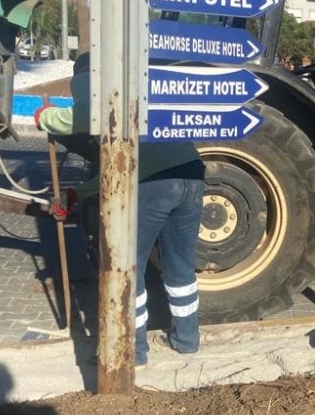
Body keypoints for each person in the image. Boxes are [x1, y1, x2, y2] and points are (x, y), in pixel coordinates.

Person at [35, 52, 205, 367]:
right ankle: (187, 339)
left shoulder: (90, 76)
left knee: (129, 266)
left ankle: (134, 351)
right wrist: (78, 193)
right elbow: (116, 166)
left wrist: (45, 117)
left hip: (152, 180)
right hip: (190, 171)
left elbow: (86, 117)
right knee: (181, 264)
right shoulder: (137, 81)